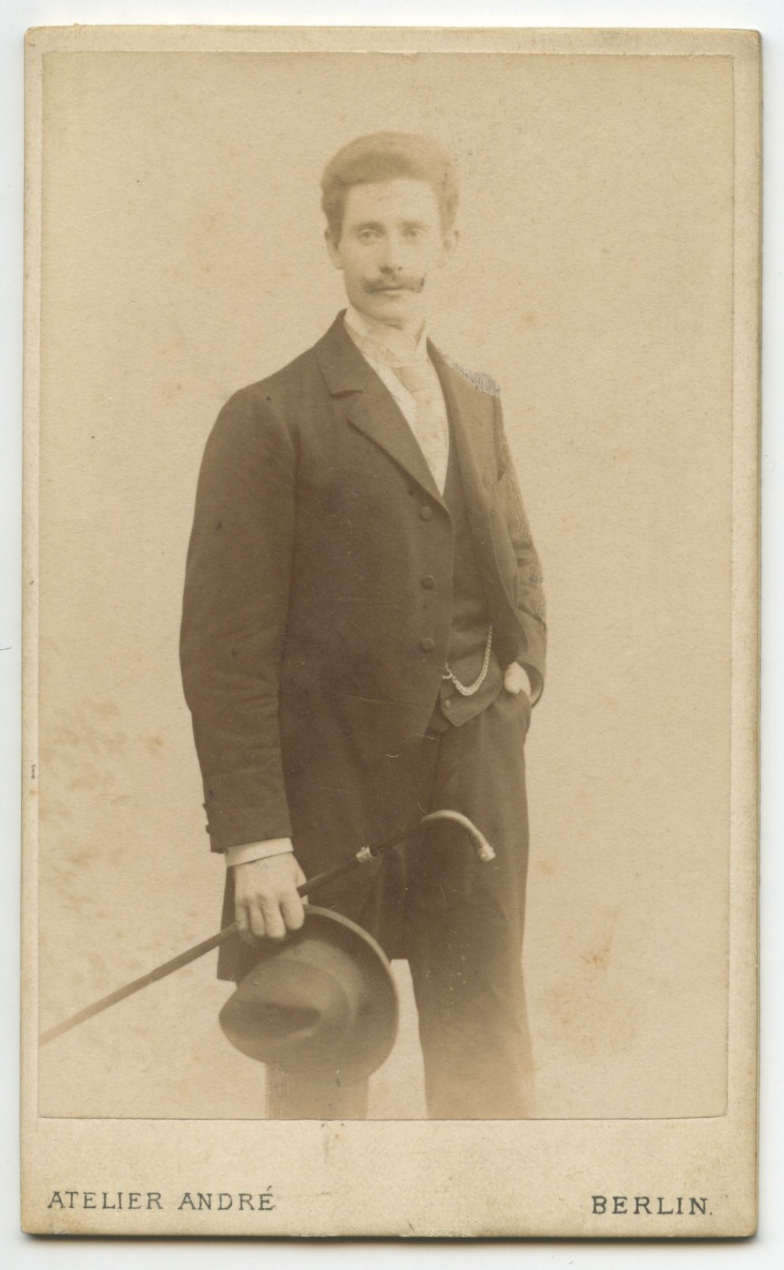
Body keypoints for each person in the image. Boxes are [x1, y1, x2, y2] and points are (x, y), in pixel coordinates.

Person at [180, 132, 546, 1120]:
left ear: (447, 243)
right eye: (369, 233)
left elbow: (514, 554)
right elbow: (223, 651)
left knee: (487, 1063)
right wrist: (256, 838)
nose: (392, 258)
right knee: (322, 1063)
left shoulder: (477, 400)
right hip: (329, 793)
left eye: (413, 232)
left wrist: (521, 675)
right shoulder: (270, 415)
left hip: (472, 786)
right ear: (333, 245)